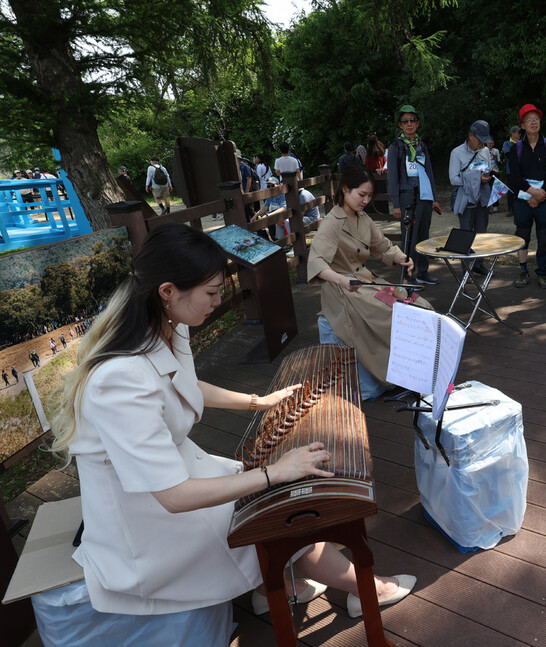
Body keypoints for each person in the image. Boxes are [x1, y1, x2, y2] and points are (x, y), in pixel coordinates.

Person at [46, 223, 413, 643]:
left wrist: (260, 401)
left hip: (178, 475)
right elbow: (172, 496)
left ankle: (274, 585)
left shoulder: (167, 324)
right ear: (167, 291)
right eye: (212, 292)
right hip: (148, 519)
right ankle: (365, 587)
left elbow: (183, 384)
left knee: (273, 493)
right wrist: (275, 473)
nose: (219, 302)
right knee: (284, 511)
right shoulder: (118, 379)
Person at [308, 164, 432, 400]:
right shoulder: (332, 223)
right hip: (341, 290)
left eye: (369, 196)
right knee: (391, 316)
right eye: (361, 195)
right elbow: (317, 264)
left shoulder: (362, 218)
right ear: (345, 189)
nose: (365, 201)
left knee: (416, 306)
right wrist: (343, 280)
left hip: (364, 282)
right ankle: (393, 375)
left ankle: (408, 372)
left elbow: (382, 246)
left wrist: (401, 257)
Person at [385, 104, 440, 285]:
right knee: (409, 237)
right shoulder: (396, 147)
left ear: (417, 123)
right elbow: (392, 176)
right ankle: (408, 275)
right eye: (405, 121)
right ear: (400, 125)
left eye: (412, 120)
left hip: (424, 196)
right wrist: (396, 204)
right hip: (407, 196)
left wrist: (434, 198)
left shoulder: (421, 145)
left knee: (424, 235)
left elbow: (429, 172)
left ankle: (423, 272)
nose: (409, 124)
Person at [507, 103, 546, 289]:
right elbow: (513, 177)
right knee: (522, 236)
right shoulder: (516, 149)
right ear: (522, 125)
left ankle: (543, 273)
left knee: (544, 237)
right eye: (529, 120)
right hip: (523, 199)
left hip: (543, 199)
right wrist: (533, 192)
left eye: (536, 119)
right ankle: (523, 271)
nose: (533, 122)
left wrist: (540, 194)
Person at [449, 120, 495, 274]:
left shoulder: (485, 151)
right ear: (470, 135)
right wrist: (476, 178)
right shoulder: (457, 153)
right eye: (479, 139)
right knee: (466, 233)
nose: (482, 143)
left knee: (481, 233)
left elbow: (486, 168)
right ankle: (466, 268)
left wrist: (489, 174)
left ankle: (478, 264)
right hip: (466, 199)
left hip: (483, 198)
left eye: (484, 139)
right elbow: (453, 179)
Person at [502, 126, 522, 215]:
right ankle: (510, 209)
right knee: (510, 190)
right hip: (510, 170)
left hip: (521, 171)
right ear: (513, 133)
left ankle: (519, 208)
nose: (519, 134)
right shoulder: (507, 143)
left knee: (520, 189)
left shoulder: (522, 143)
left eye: (520, 133)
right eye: (518, 132)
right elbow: (509, 154)